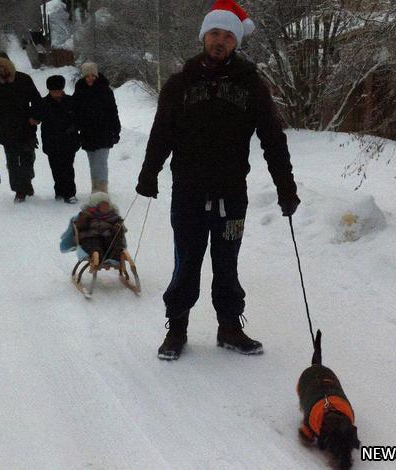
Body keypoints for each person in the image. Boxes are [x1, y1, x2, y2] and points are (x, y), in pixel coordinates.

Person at [135, 0, 300, 360]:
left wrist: (285, 186)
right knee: (186, 262)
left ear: (236, 41)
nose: (220, 41)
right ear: (203, 36)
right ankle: (177, 329)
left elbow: (273, 138)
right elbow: (161, 132)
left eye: (228, 35)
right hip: (188, 194)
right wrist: (149, 173)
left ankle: (229, 328)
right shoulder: (180, 84)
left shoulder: (252, 85)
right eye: (214, 33)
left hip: (231, 194)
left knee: (227, 264)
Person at [0, 52, 42, 203]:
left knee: (27, 159)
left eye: (4, 66)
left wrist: (35, 118)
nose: (2, 70)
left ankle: (26, 181)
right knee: (12, 162)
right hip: (6, 129)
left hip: (26, 127)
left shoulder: (23, 79)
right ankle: (19, 190)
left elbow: (37, 100)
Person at [73, 62, 121, 193]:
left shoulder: (105, 90)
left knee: (101, 163)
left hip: (104, 132)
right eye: (87, 76)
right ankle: (95, 189)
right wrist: (75, 129)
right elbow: (75, 112)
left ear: (96, 75)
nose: (90, 78)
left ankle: (102, 190)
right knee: (93, 163)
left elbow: (113, 111)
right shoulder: (79, 91)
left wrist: (116, 130)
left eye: (92, 75)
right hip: (87, 133)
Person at [39, 75, 80, 204]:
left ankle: (70, 193)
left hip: (69, 141)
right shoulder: (43, 103)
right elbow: (36, 118)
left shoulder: (71, 101)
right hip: (51, 141)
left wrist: (73, 128)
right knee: (55, 167)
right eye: (54, 91)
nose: (57, 94)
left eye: (59, 91)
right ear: (49, 90)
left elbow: (79, 119)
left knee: (68, 167)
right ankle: (59, 191)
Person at [73, 192, 127, 270]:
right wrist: (84, 220)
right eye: (102, 205)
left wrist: (118, 226)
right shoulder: (87, 215)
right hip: (92, 236)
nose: (105, 207)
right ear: (95, 206)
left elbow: (120, 226)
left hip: (108, 237)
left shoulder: (112, 216)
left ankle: (116, 257)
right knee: (94, 244)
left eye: (107, 205)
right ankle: (97, 257)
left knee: (115, 241)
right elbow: (80, 226)